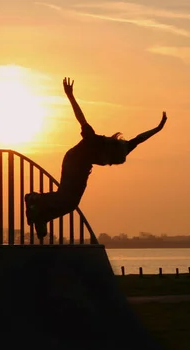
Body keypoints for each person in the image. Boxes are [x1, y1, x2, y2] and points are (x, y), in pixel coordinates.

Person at [25, 77, 168, 239]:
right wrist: (70, 96)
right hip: (73, 161)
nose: (106, 163)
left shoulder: (123, 149)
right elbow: (81, 118)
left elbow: (139, 139)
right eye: (108, 160)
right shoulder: (93, 139)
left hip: (84, 168)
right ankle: (34, 199)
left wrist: (158, 128)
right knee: (66, 196)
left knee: (71, 204)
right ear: (108, 150)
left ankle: (42, 216)